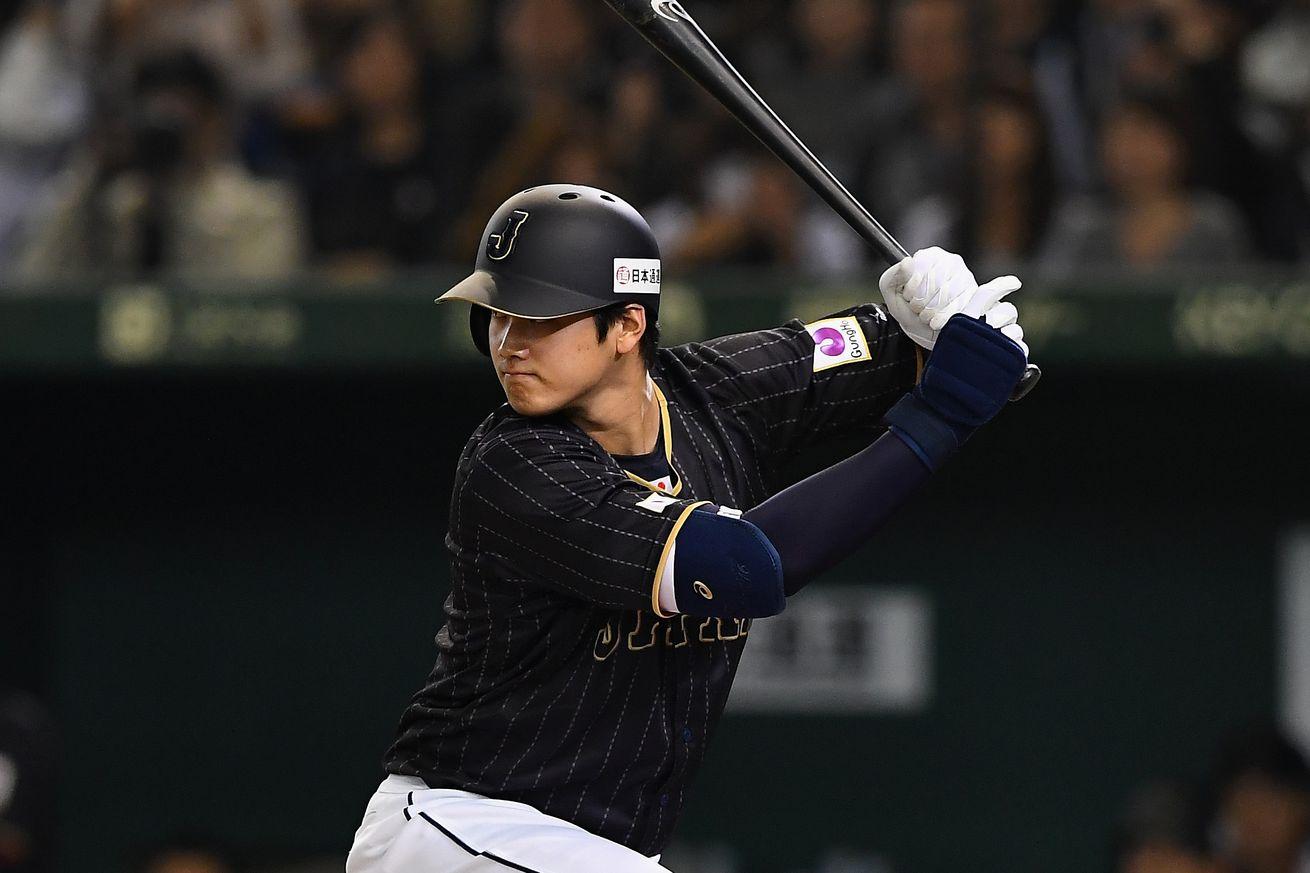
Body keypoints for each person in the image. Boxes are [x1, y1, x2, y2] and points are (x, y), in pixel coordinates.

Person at [347, 184, 1029, 872]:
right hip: (457, 824)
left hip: (582, 848)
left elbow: (878, 351)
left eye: (539, 317)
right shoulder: (514, 463)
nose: (508, 342)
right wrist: (941, 416)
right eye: (497, 314)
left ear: (628, 326)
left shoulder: (713, 392)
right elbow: (748, 565)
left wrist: (934, 323)